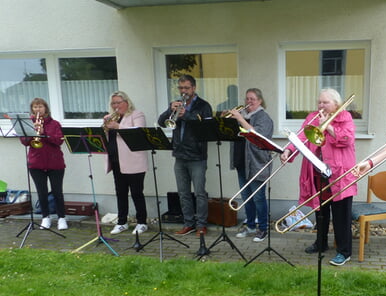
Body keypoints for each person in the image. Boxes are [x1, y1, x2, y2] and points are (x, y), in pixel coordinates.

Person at [280, 88, 357, 266]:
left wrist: (328, 126)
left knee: (341, 215)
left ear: (336, 104)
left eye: (325, 102)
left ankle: (344, 252)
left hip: (339, 174)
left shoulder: (345, 117)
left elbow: (348, 139)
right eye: (319, 102)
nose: (321, 105)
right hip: (317, 172)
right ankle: (321, 243)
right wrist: (288, 150)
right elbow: (301, 137)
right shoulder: (313, 117)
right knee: (321, 212)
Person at [158, 74, 213, 236]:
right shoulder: (176, 104)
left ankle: (201, 224)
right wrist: (170, 110)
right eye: (181, 88)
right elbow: (162, 122)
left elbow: (207, 127)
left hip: (197, 156)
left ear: (194, 88)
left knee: (200, 193)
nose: (183, 91)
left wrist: (186, 115)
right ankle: (188, 223)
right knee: (183, 193)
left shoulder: (203, 105)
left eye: (187, 88)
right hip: (179, 155)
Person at [226, 88, 274, 242]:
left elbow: (257, 135)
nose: (249, 102)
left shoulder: (264, 117)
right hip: (242, 163)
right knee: (246, 197)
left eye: (252, 99)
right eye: (247, 99)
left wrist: (240, 118)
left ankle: (263, 228)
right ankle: (251, 225)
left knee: (258, 198)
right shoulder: (244, 116)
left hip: (257, 164)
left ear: (260, 101)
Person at [103, 91, 149, 235]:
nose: (116, 106)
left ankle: (142, 223)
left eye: (118, 102)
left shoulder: (136, 114)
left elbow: (138, 133)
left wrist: (118, 127)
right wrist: (105, 126)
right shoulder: (111, 117)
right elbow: (107, 138)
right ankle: (122, 222)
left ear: (126, 102)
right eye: (113, 103)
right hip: (116, 161)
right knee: (120, 193)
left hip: (134, 161)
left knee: (136, 193)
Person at [20, 98, 67, 231]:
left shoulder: (55, 124)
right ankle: (45, 217)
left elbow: (59, 141)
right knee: (42, 192)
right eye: (35, 107)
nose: (38, 109)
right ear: (32, 109)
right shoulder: (28, 123)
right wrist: (32, 132)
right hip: (36, 163)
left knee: (58, 192)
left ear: (46, 108)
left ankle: (61, 218)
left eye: (40, 107)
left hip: (55, 163)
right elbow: (24, 142)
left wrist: (44, 133)